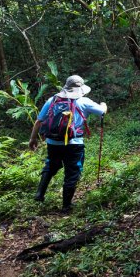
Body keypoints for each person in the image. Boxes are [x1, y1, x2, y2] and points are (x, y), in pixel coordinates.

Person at [29, 75, 107, 212]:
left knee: (51, 165)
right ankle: (66, 206)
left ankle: (39, 194)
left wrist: (33, 139)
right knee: (72, 172)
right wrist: (103, 105)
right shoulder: (84, 101)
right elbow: (102, 112)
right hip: (74, 143)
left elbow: (39, 121)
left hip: (53, 142)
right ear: (80, 89)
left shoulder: (53, 99)